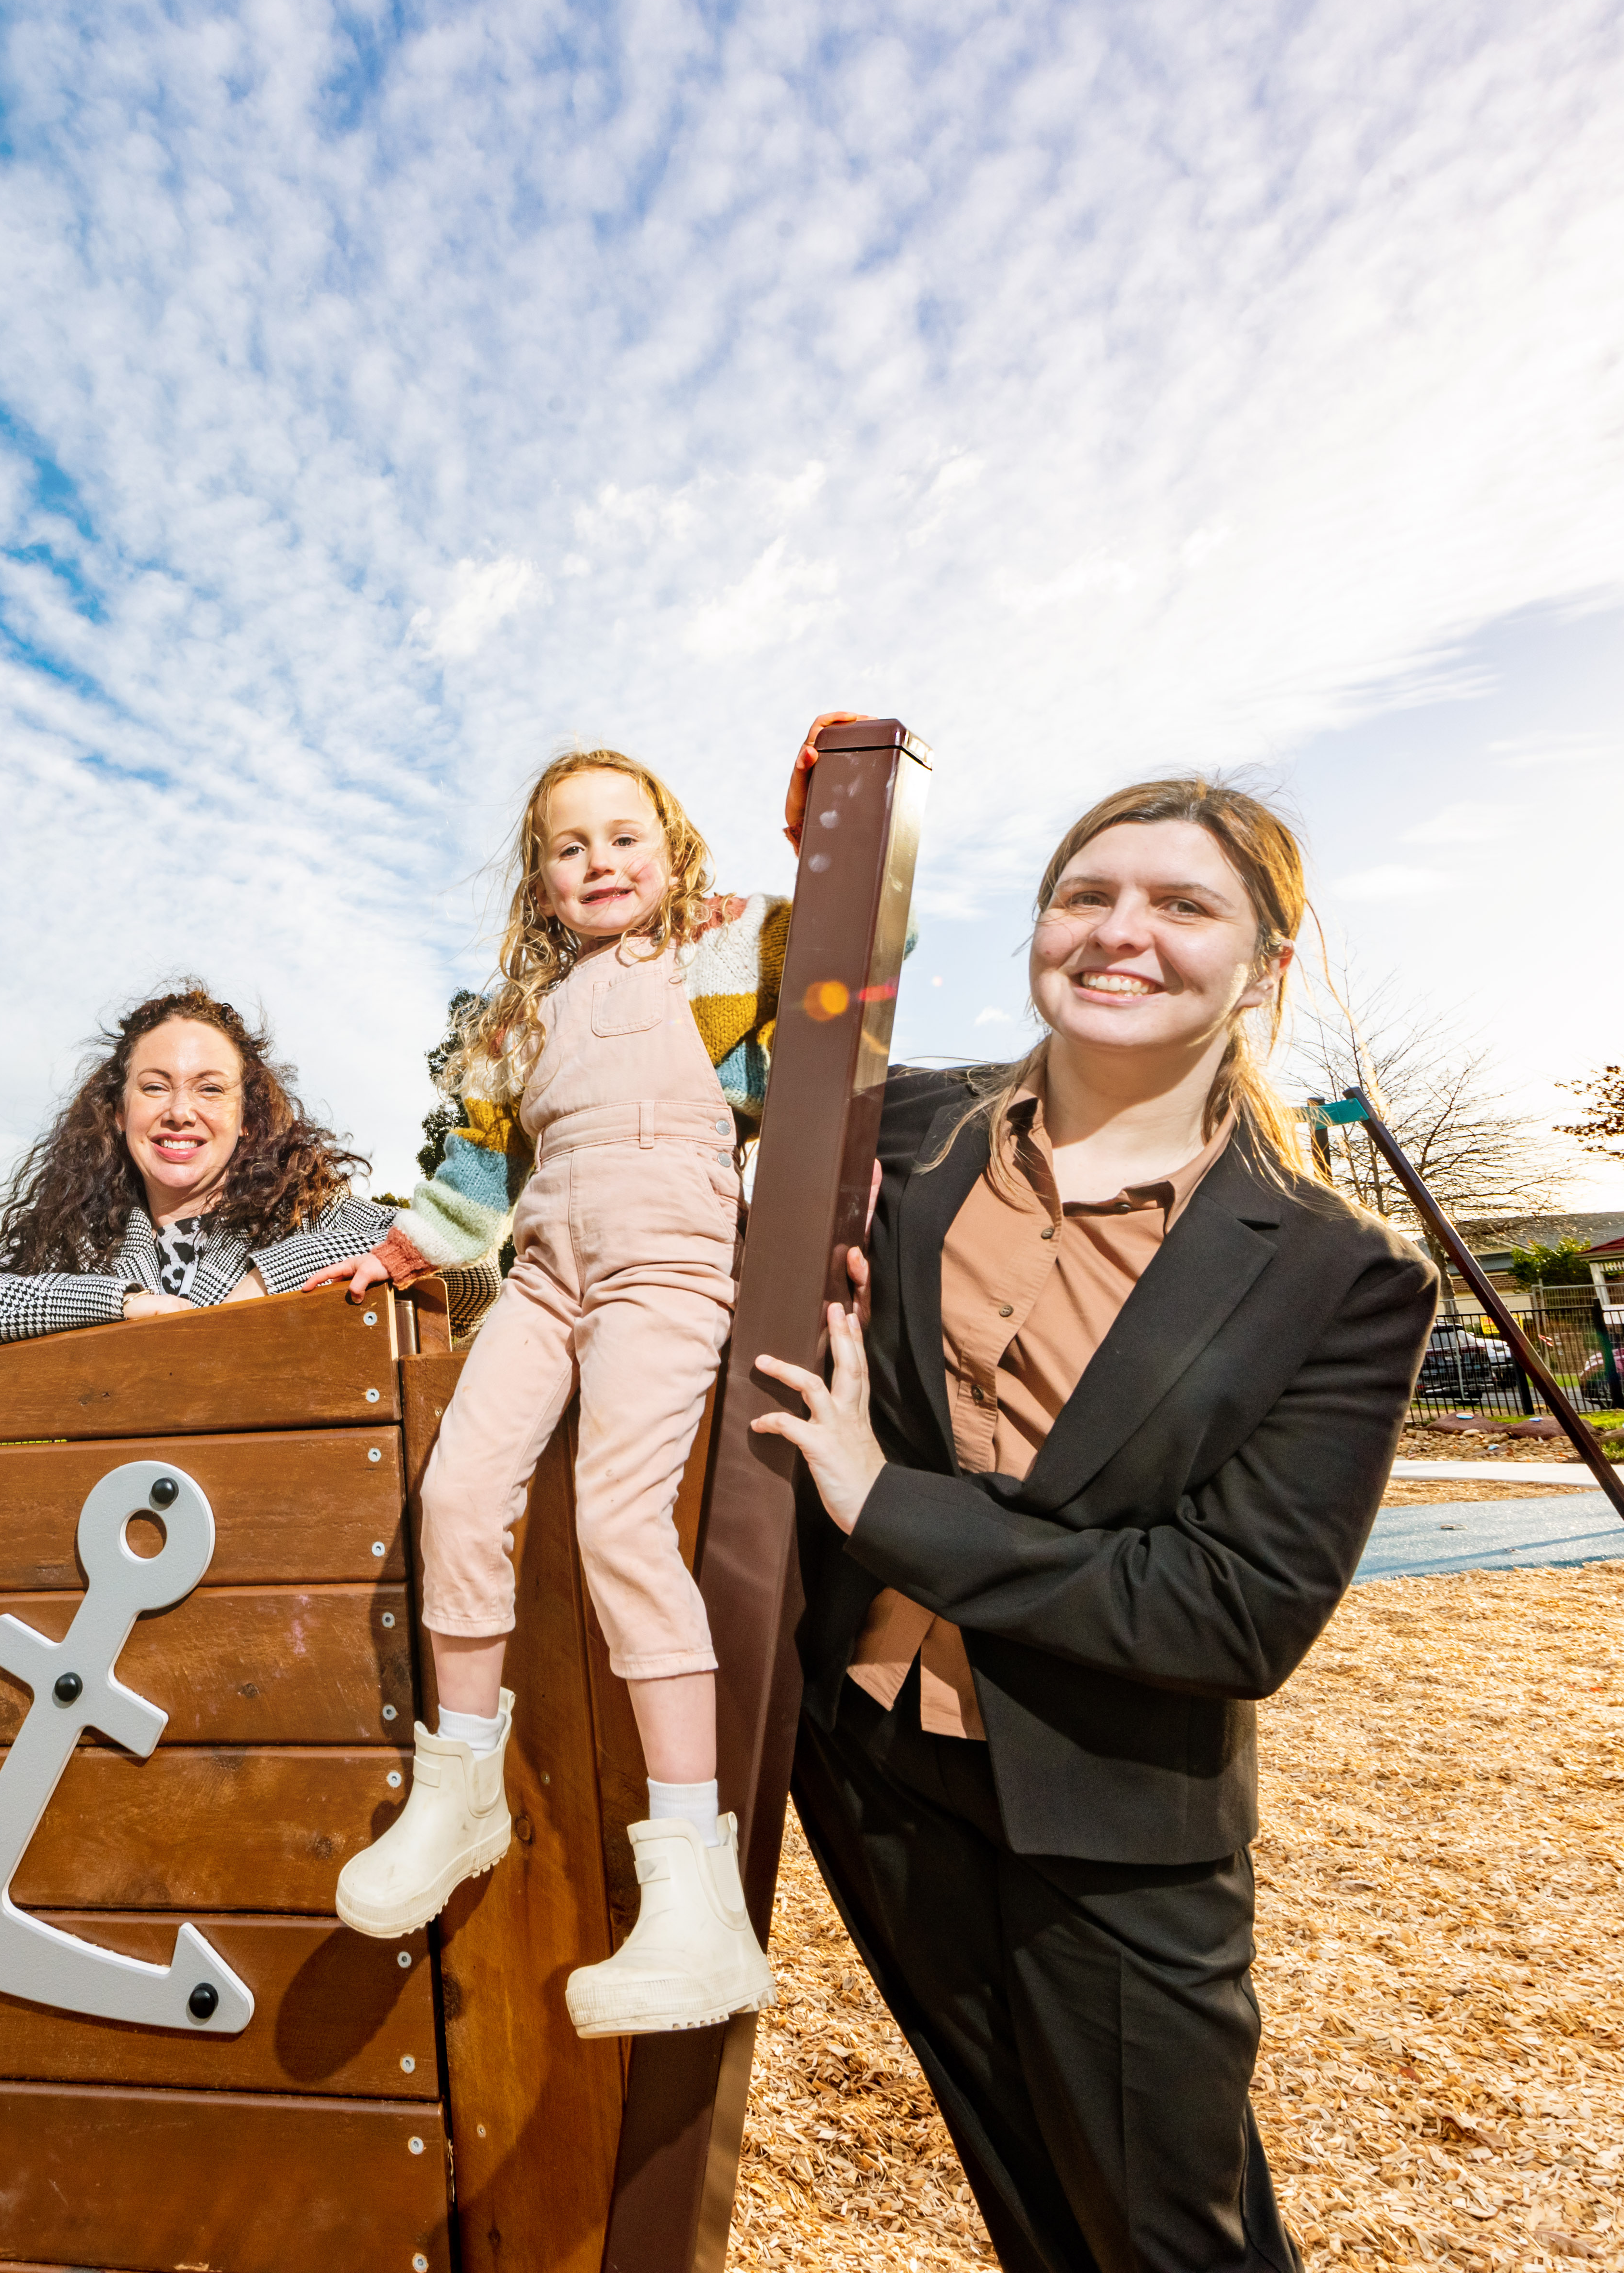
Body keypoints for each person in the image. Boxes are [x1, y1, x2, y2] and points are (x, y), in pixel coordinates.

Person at [748, 777, 1435, 2273]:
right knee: (1015, 2176)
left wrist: (879, 1500)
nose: (1120, 931)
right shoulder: (903, 1128)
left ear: (1264, 966)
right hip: (869, 1760)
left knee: (1164, 2233)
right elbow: (615, 1124)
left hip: (1108, 1809)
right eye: (1085, 895)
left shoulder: (1334, 1270)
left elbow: (1229, 1607)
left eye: (1181, 904)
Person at [330, 746, 791, 2039]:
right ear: (539, 881)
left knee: (616, 1526)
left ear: (674, 847)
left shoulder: (716, 957)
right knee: (460, 1492)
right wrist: (402, 1251)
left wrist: (826, 831)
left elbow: (866, 939)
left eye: (625, 837)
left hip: (670, 1263)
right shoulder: (512, 1021)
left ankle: (694, 1889)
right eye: (571, 845)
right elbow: (475, 1188)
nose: (601, 863)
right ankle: (462, 1783)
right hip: (546, 1277)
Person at [0, 983, 452, 1357]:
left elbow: (472, 1276)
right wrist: (121, 1303)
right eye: (155, 1087)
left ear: (246, 1118)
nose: (180, 1111)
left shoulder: (308, 1214)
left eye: (209, 1088)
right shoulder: (84, 1244)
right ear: (118, 1112)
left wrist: (264, 1282)